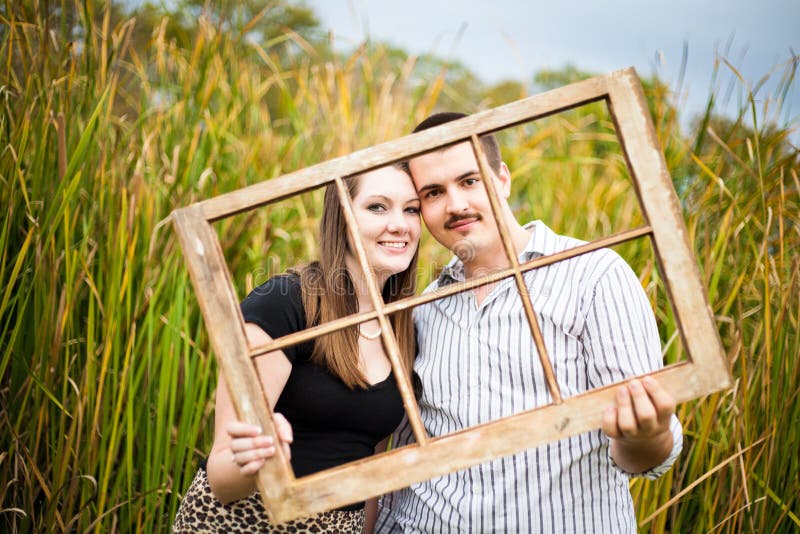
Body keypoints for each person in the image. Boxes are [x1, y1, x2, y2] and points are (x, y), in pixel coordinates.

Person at [373, 113, 683, 533]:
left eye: (470, 181)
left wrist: (645, 436)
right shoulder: (423, 308)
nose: (456, 204)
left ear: (502, 179)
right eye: (433, 192)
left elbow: (646, 454)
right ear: (421, 208)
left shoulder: (593, 275)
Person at [173, 162, 422, 533]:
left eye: (412, 209)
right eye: (378, 207)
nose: (400, 224)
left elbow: (370, 465)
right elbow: (223, 478)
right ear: (340, 217)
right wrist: (259, 460)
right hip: (247, 522)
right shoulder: (286, 301)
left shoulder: (403, 326)